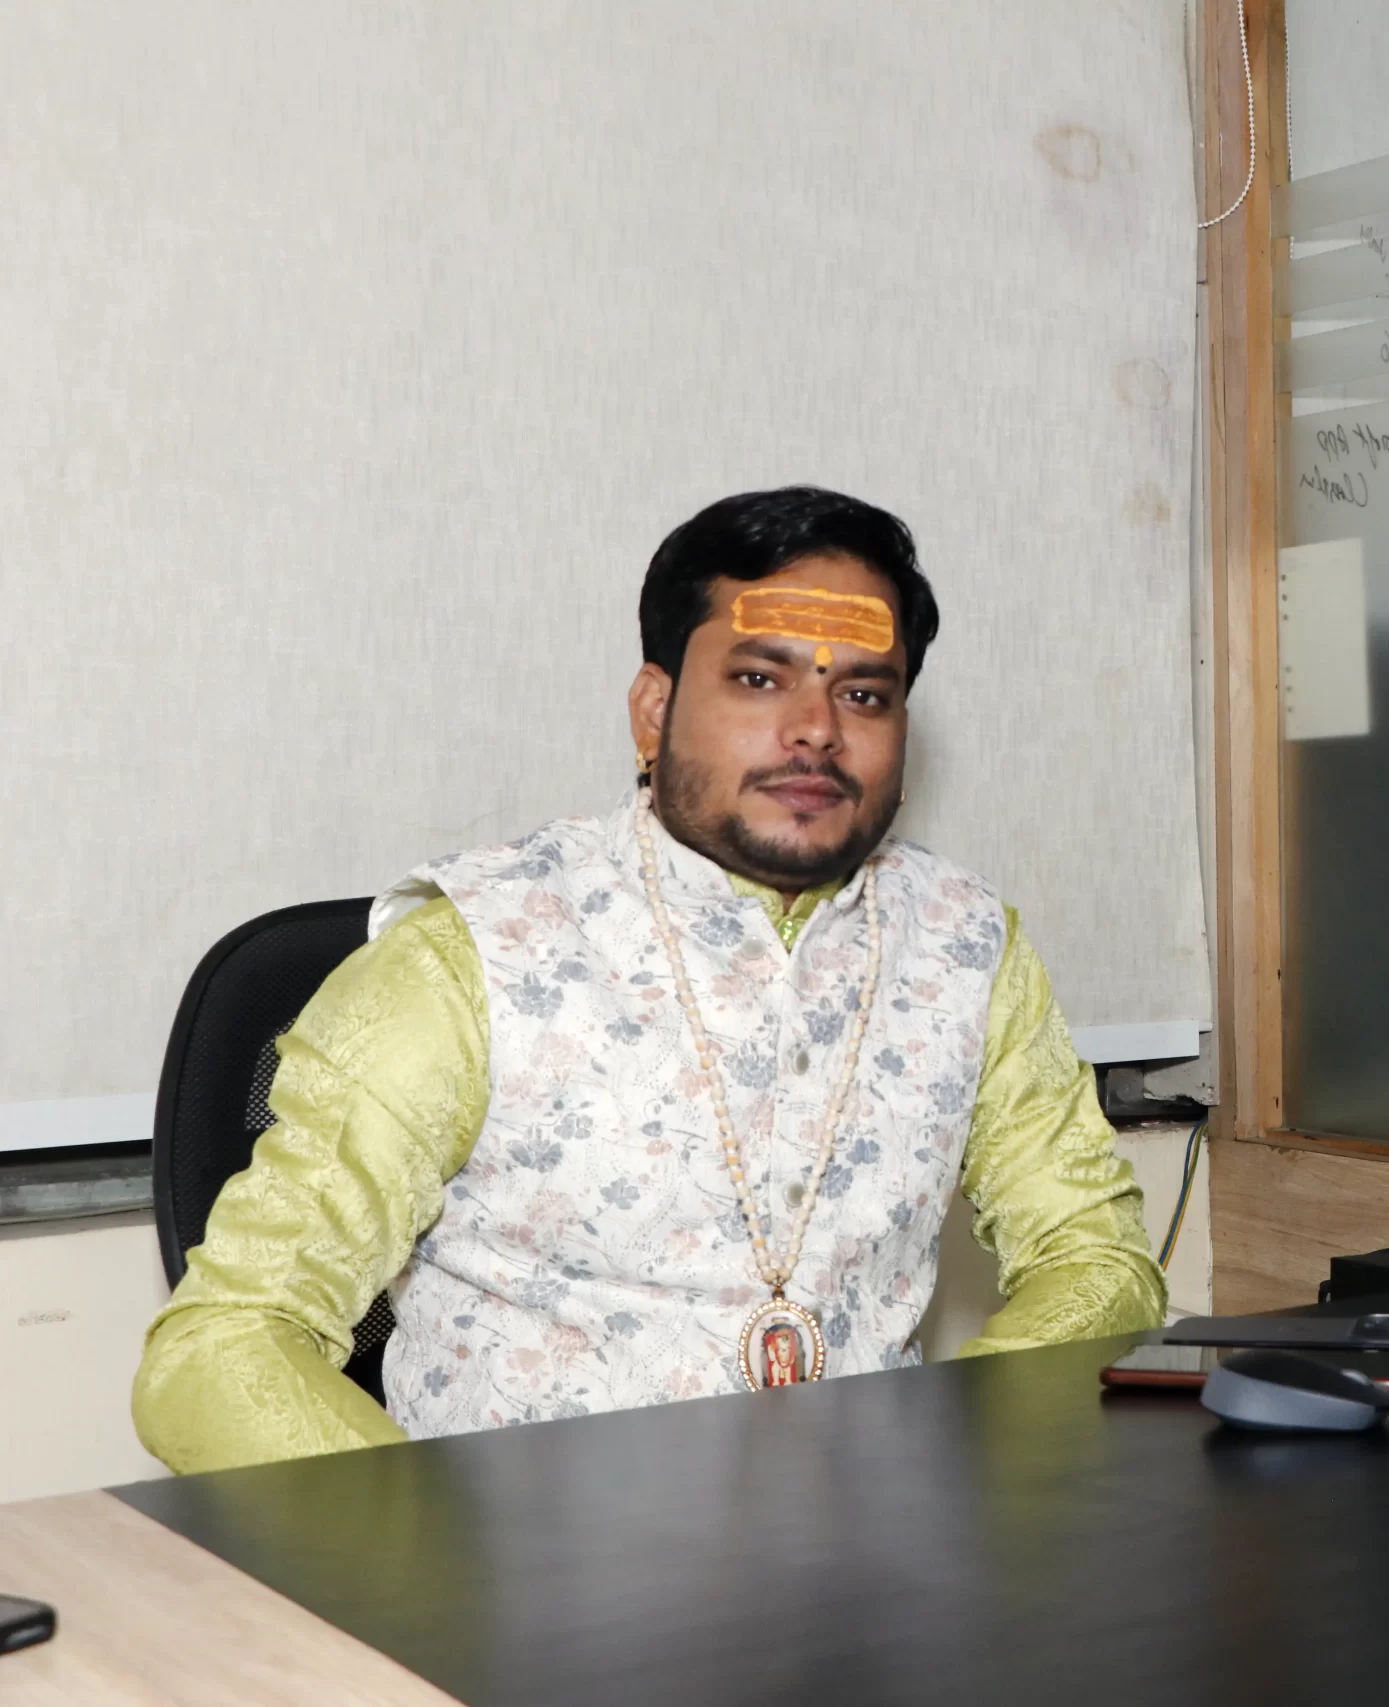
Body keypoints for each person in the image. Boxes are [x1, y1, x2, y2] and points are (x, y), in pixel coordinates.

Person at [132, 487, 1166, 1472]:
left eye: (864, 693)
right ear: (653, 709)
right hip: (524, 1573)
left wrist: (956, 1461)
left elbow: (1096, 1257)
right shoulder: (472, 954)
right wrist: (424, 1559)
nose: (817, 728)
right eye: (759, 679)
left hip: (876, 1557)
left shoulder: (966, 946)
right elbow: (223, 1347)